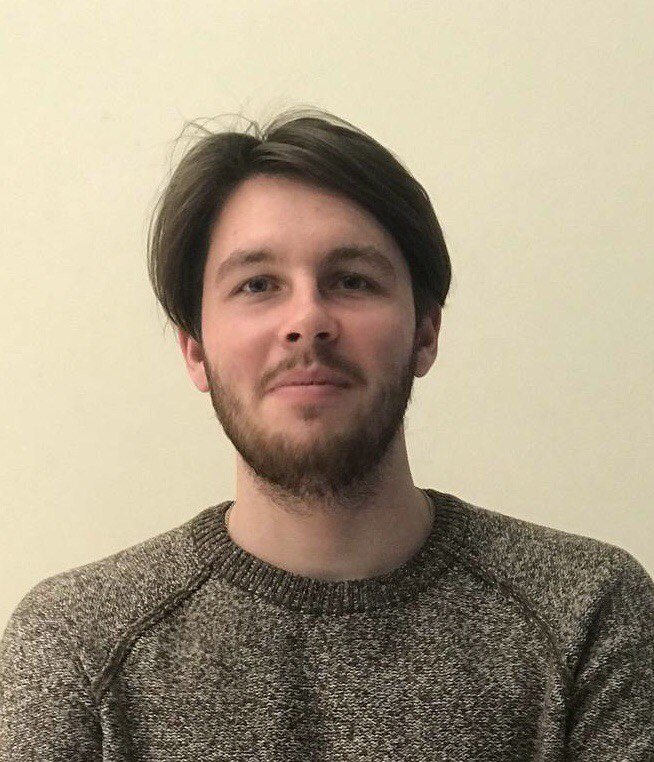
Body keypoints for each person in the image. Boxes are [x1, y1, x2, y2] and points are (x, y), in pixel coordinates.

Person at [0, 107, 652, 761]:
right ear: (195, 349)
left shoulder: (586, 612)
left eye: (351, 281)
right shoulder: (76, 645)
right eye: (258, 284)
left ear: (425, 333)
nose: (307, 320)